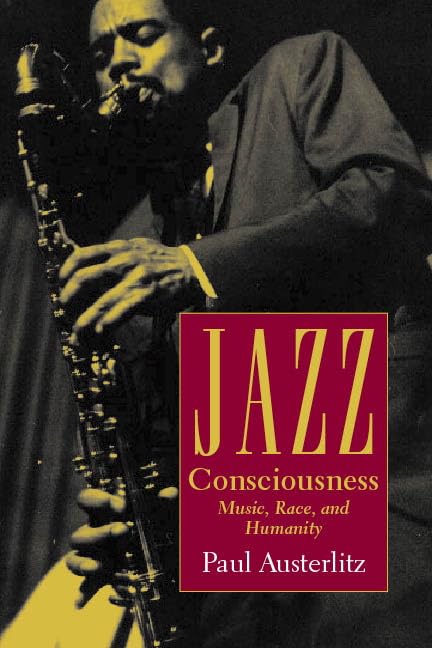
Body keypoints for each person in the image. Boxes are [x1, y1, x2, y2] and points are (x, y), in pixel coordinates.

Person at [2, 0, 432, 646]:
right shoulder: (142, 231)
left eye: (141, 35)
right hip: (260, 552)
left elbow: (391, 193)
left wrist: (196, 267)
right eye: (100, 55)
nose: (119, 62)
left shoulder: (299, 66)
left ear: (209, 47)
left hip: (379, 503)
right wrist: (142, 516)